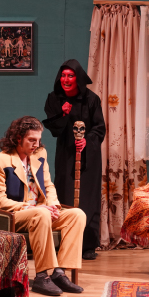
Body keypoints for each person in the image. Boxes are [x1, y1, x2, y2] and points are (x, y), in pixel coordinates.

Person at [0, 116, 85, 296]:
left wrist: (53, 206)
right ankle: (42, 276)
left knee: (77, 214)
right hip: (16, 216)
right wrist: (34, 209)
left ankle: (59, 273)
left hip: (42, 212)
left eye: (38, 140)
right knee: (42, 214)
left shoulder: (40, 155)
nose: (36, 144)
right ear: (18, 137)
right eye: (32, 140)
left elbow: (48, 185)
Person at [43, 59, 106, 260]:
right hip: (66, 154)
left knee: (88, 198)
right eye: (63, 75)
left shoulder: (92, 99)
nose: (66, 79)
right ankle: (66, 242)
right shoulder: (54, 98)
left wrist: (87, 140)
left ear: (78, 78)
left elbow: (100, 128)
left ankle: (88, 245)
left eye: (70, 76)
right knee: (65, 194)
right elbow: (53, 128)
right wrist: (63, 114)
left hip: (89, 156)